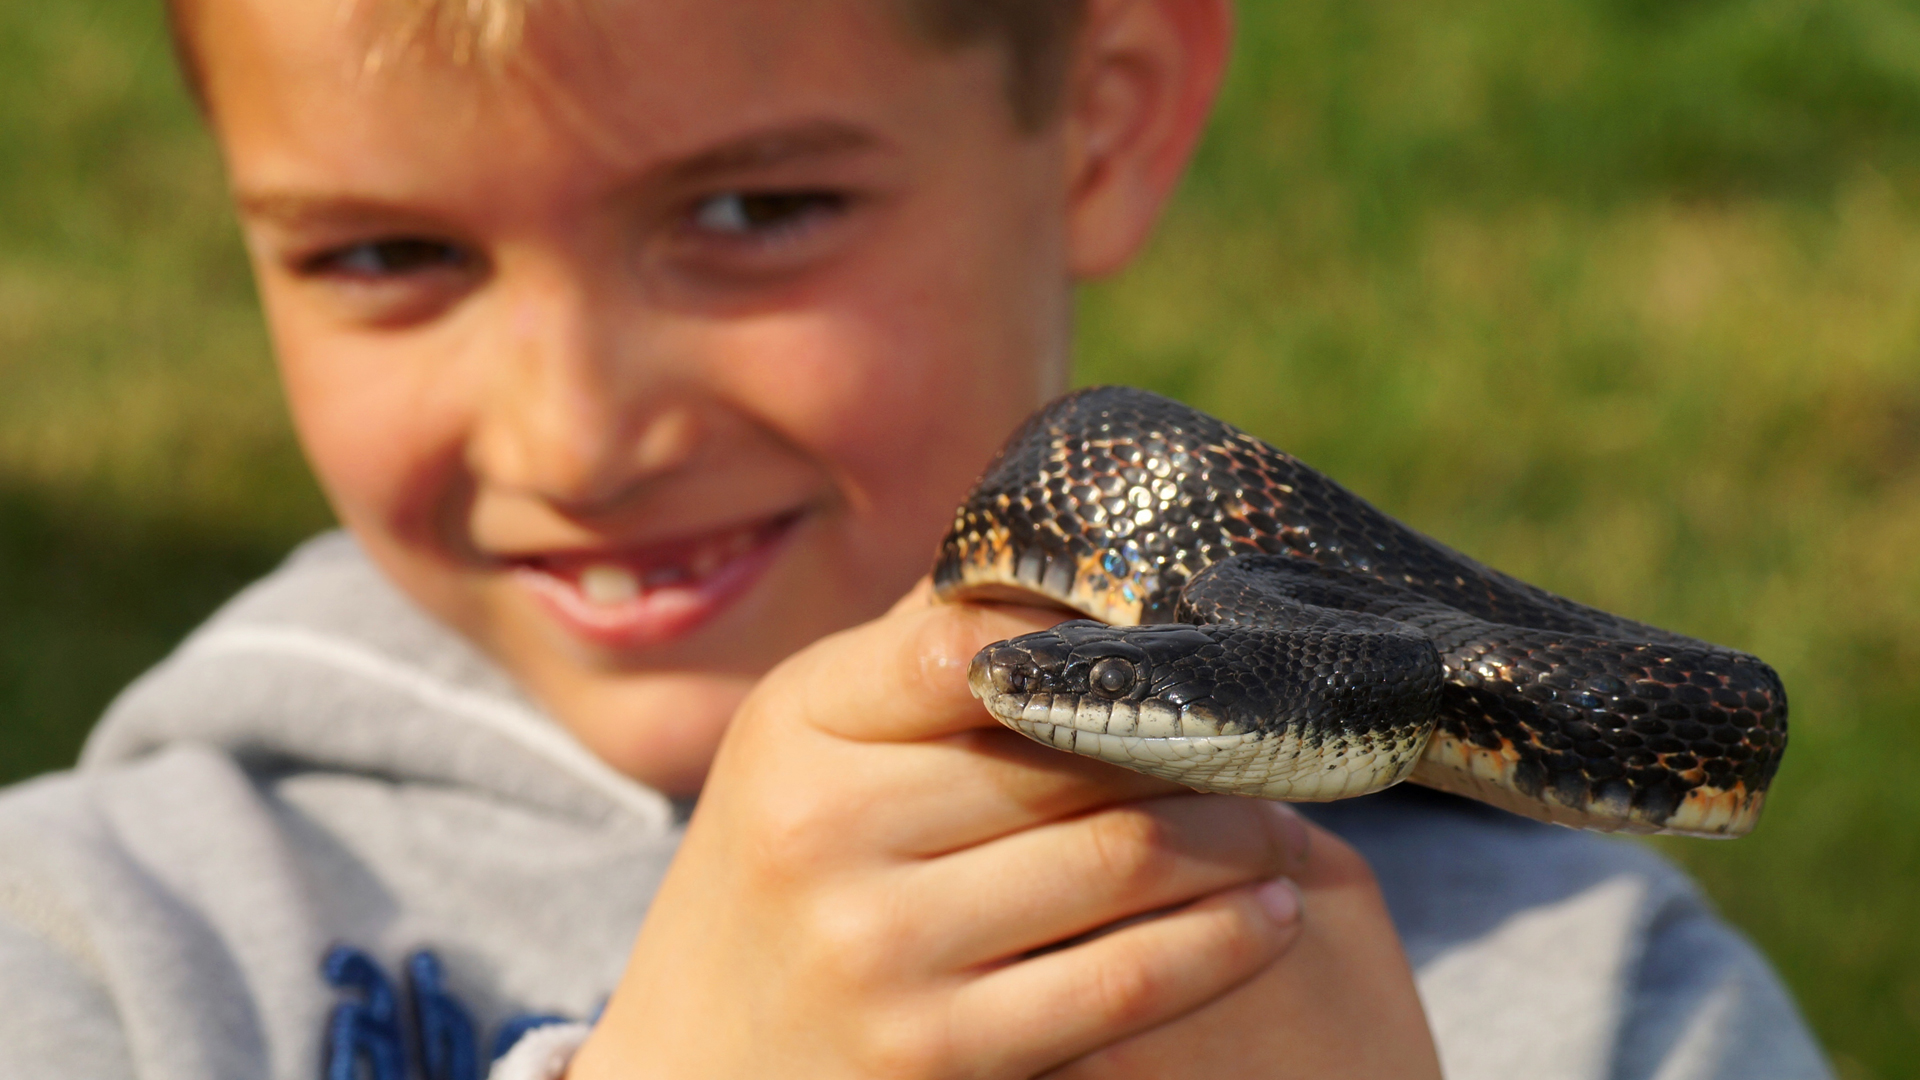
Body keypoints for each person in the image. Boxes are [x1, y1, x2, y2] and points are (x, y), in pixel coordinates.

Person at [0, 0, 1831, 1077]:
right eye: (387, 253)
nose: (576, 434)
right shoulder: (93, 944)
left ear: (1102, 125)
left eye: (753, 208)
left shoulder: (1594, 995)